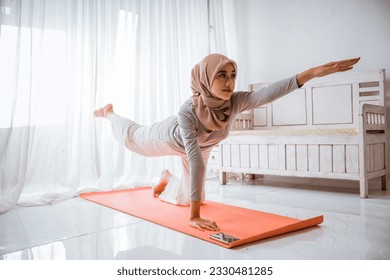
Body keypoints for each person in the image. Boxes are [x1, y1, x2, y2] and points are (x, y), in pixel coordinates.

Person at [94, 54, 360, 231]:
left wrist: (311, 73)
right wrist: (195, 218)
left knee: (190, 197)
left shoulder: (233, 102)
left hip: (201, 146)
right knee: (131, 138)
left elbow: (266, 94)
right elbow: (195, 160)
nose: (230, 82)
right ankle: (109, 113)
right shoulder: (187, 110)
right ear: (205, 78)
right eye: (222, 75)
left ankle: (167, 179)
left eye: (233, 75)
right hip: (166, 137)